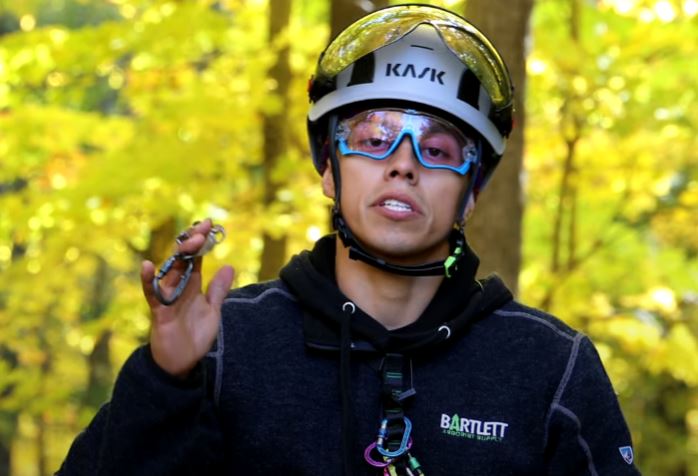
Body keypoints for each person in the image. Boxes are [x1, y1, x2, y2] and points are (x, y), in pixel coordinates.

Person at [58, 5, 641, 475]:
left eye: (437, 149)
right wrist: (165, 383)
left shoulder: (550, 367)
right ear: (329, 170)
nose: (403, 165)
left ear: (471, 192)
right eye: (374, 138)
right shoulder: (226, 342)